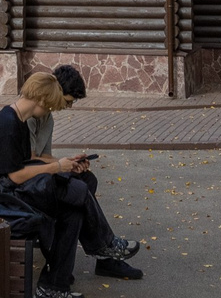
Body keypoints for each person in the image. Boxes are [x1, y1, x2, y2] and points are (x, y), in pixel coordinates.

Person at [0, 72, 141, 298]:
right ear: (40, 99)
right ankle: (105, 245)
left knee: (73, 207)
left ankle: (53, 286)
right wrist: (57, 167)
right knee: (77, 192)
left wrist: (64, 164)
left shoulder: (16, 120)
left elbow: (25, 163)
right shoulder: (8, 124)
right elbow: (16, 175)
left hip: (9, 191)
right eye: (50, 105)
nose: (51, 110)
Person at [30, 64, 142, 281]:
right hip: (26, 184)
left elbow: (44, 157)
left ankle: (103, 254)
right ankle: (104, 250)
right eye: (68, 101)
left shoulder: (47, 118)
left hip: (39, 177)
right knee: (78, 192)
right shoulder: (29, 116)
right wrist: (61, 165)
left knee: (86, 179)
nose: (68, 107)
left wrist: (70, 162)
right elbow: (28, 161)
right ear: (55, 91)